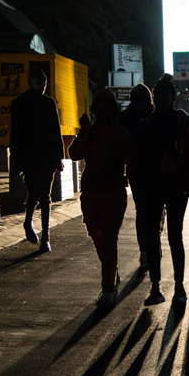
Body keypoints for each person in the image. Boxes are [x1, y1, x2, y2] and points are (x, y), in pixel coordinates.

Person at [137, 73, 189, 306]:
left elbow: (138, 159)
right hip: (176, 183)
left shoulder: (146, 124)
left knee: (154, 235)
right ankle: (178, 287)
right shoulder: (183, 121)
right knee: (174, 236)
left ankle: (157, 286)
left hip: (154, 184)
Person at [67, 89, 134, 310]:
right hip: (104, 194)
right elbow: (75, 153)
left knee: (104, 239)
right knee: (103, 239)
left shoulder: (115, 134)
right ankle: (110, 275)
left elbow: (75, 153)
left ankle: (108, 288)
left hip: (104, 193)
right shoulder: (110, 133)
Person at [10, 66, 65, 253]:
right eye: (43, 83)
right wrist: (59, 157)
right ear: (37, 83)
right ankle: (44, 237)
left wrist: (16, 161)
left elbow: (15, 136)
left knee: (37, 193)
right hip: (45, 157)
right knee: (44, 196)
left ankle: (33, 226)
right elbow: (55, 133)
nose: (43, 86)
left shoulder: (18, 103)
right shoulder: (48, 104)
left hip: (29, 157)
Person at [119, 83, 156, 268]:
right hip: (153, 170)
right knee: (149, 210)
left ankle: (145, 251)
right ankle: (148, 249)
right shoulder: (155, 116)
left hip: (135, 170)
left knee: (141, 210)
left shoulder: (124, 118)